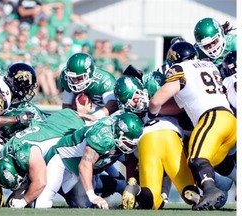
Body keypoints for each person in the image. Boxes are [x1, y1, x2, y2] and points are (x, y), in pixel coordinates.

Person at [148, 41, 236, 210]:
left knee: (196, 159)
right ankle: (215, 189)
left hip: (213, 118)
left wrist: (151, 112)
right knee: (211, 162)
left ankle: (211, 191)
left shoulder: (181, 69)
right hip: (230, 121)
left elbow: (158, 99)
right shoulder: (209, 65)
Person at [0, 112, 143, 209]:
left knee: (87, 196)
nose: (129, 146)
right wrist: (93, 196)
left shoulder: (111, 137)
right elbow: (85, 165)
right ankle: (114, 185)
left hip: (80, 157)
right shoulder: (103, 138)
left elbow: (90, 163)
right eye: (127, 142)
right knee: (43, 205)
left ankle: (120, 185)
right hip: (64, 162)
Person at [114, 74, 200, 209]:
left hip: (146, 143)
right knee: (188, 189)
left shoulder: (128, 120)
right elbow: (183, 109)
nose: (134, 103)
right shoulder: (159, 103)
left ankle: (136, 190)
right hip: (170, 137)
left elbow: (130, 158)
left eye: (135, 98)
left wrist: (129, 182)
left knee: (152, 202)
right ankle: (193, 194)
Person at [58, 52, 119, 121]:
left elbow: (114, 104)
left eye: (79, 78)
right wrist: (71, 118)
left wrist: (94, 116)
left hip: (115, 112)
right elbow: (66, 106)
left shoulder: (104, 80)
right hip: (98, 108)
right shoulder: (66, 77)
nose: (75, 82)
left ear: (89, 73)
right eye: (73, 78)